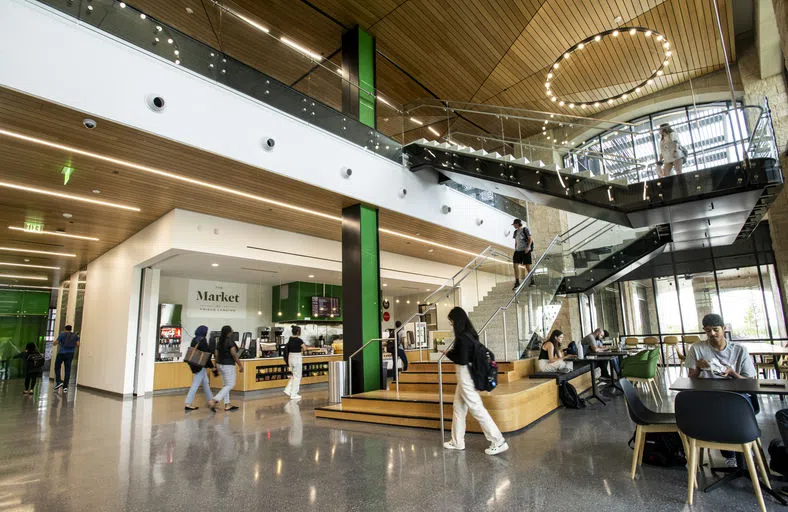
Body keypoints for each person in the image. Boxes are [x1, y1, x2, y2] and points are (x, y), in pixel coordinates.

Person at [685, 313, 757, 468]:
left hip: (736, 396)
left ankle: (740, 451)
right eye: (708, 331)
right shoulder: (697, 348)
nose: (712, 334)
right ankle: (730, 453)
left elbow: (750, 382)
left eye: (715, 330)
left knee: (731, 409)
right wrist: (698, 367)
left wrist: (732, 373)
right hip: (709, 396)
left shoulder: (739, 350)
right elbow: (691, 378)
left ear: (724, 329)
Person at [442, 307, 509, 455]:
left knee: (476, 408)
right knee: (458, 408)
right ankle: (457, 441)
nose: (451, 324)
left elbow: (462, 359)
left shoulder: (463, 337)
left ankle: (498, 440)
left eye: (452, 321)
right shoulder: (470, 333)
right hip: (465, 375)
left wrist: (448, 354)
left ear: (457, 321)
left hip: (465, 375)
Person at [209, 325, 244, 412]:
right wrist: (240, 365)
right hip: (228, 365)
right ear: (229, 332)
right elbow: (234, 355)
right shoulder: (229, 341)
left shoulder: (220, 341)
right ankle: (214, 400)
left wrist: (216, 365)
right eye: (231, 331)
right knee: (230, 385)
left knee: (225, 385)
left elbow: (216, 354)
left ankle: (227, 404)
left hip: (220, 364)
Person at [184, 325, 216, 411]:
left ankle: (211, 400)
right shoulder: (202, 341)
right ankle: (188, 403)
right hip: (200, 366)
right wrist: (212, 367)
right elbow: (207, 356)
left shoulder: (194, 340)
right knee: (196, 384)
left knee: (205, 383)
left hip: (195, 364)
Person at [53, 325, 79, 392]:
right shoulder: (75, 336)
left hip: (62, 353)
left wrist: (54, 343)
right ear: (71, 329)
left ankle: (59, 381)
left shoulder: (62, 334)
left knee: (57, 366)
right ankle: (65, 387)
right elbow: (78, 344)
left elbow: (56, 343)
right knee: (67, 370)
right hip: (70, 354)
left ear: (65, 329)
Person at [511, 218, 534, 290]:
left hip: (525, 250)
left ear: (517, 223)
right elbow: (516, 242)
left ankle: (532, 280)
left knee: (527, 266)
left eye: (514, 224)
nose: (513, 225)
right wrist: (515, 249)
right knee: (515, 265)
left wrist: (528, 247)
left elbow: (530, 239)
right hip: (518, 251)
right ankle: (517, 282)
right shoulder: (515, 232)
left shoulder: (525, 229)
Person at [283, 325, 305, 400]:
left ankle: (288, 390)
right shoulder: (299, 340)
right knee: (297, 377)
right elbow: (305, 348)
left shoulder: (290, 339)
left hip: (290, 358)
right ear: (298, 332)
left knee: (294, 376)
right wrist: (302, 350)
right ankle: (294, 394)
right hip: (296, 358)